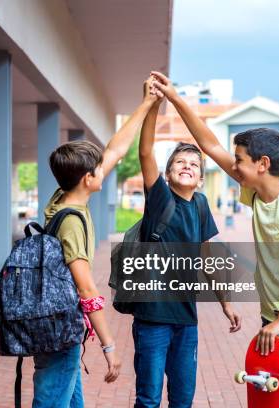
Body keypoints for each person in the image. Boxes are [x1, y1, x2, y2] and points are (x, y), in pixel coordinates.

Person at [154, 71, 279, 408]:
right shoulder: (255, 193)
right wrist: (174, 98)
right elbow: (209, 144)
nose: (234, 165)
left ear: (262, 164)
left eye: (240, 160)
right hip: (273, 321)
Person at [32, 74, 162, 408]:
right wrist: (109, 347)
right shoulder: (72, 223)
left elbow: (116, 148)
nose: (106, 169)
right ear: (88, 178)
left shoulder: (62, 197)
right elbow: (87, 291)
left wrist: (147, 102)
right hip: (60, 330)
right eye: (99, 169)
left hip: (60, 328)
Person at [131, 95, 242, 407]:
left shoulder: (201, 204)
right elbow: (145, 152)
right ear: (168, 174)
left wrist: (226, 303)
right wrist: (153, 104)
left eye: (194, 164)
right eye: (180, 162)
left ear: (202, 179)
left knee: (183, 399)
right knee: (149, 399)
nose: (187, 166)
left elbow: (208, 259)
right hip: (152, 317)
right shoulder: (160, 198)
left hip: (186, 320)